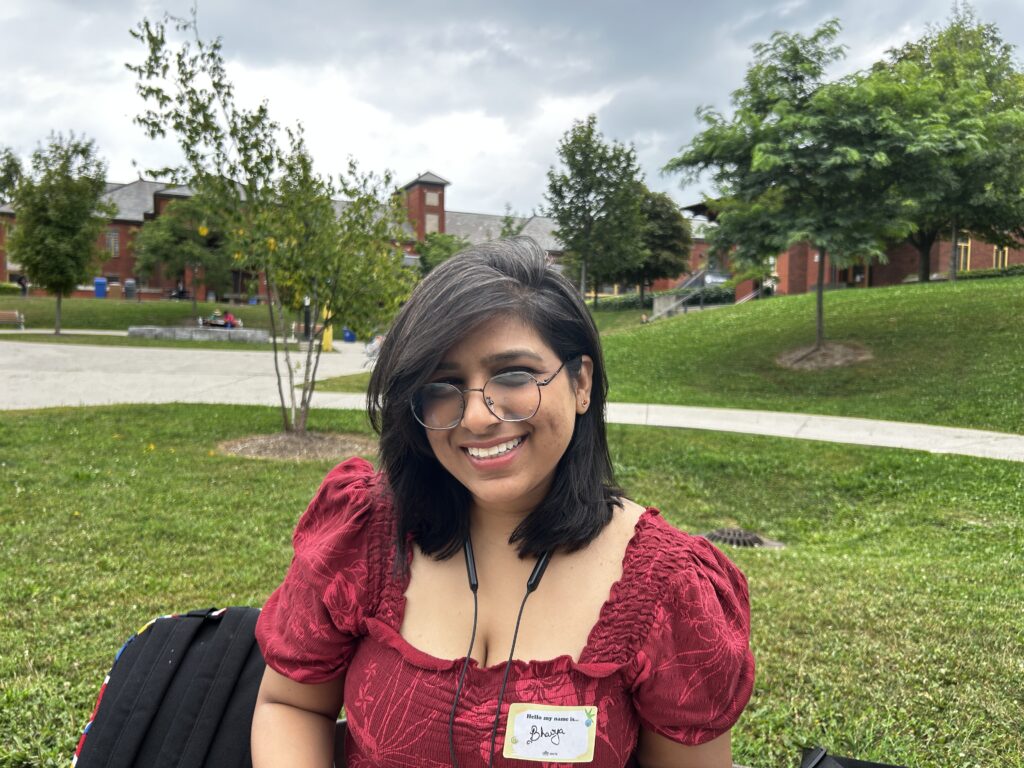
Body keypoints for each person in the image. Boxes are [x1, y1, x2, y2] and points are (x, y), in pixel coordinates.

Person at [252, 237, 754, 768]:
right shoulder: (365, 534)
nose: (475, 417)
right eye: (443, 384)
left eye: (513, 374)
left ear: (580, 382)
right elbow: (291, 704)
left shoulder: (669, 591)